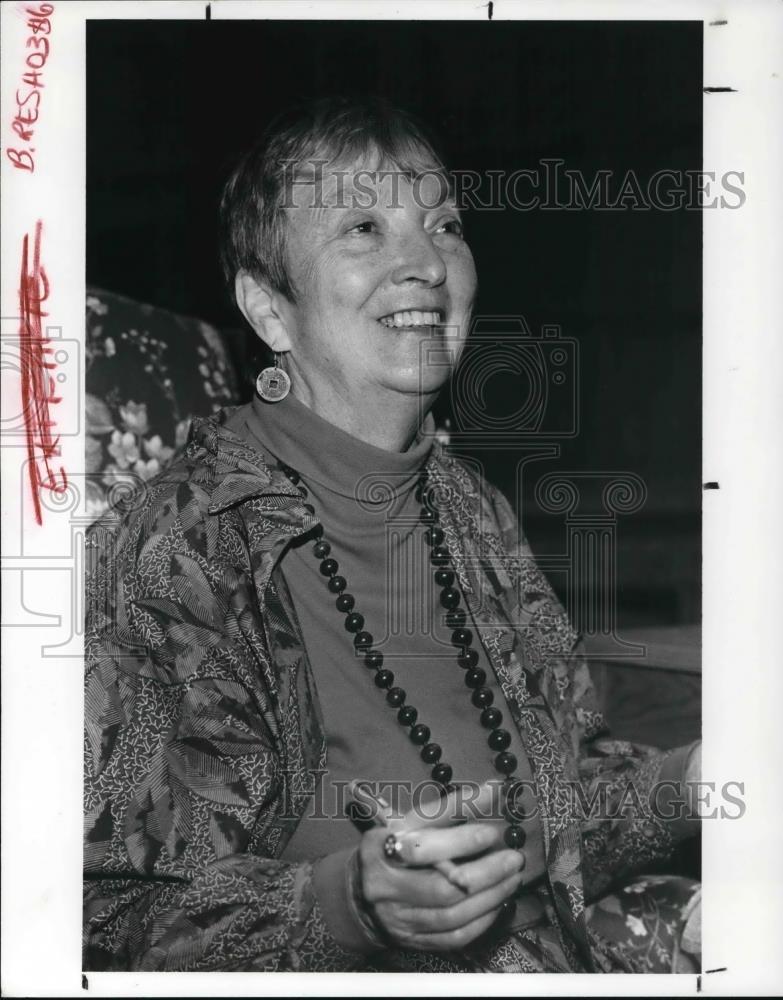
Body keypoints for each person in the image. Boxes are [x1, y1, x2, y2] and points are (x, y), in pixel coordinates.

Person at [83, 96, 701, 973]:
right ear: (269, 311)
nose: (425, 263)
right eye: (363, 228)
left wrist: (693, 781)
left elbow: (558, 818)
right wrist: (351, 903)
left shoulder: (470, 508)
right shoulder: (174, 552)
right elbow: (97, 911)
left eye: (445, 224)